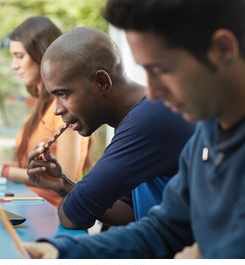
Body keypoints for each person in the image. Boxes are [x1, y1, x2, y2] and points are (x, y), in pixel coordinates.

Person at [24, 0, 245, 258]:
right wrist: (60, 251)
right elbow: (162, 230)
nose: (155, 92)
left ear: (222, 50)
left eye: (161, 69)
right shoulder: (208, 133)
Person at [26, 26, 195, 230]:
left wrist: (76, 201)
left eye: (63, 94)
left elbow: (73, 216)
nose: (57, 110)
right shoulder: (139, 116)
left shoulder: (149, 118)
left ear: (102, 82)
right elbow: (129, 212)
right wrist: (63, 183)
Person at [0, 16, 91, 207]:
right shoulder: (41, 105)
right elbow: (27, 167)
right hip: (30, 204)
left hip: (49, 212)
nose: (14, 65)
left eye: (19, 56)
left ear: (42, 55)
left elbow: (66, 177)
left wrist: (2, 170)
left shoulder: (63, 109)